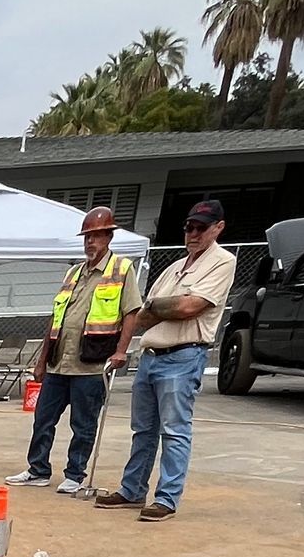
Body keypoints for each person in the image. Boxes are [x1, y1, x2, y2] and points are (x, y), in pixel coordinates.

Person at [96, 198, 236, 522]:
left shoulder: (221, 263)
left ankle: (167, 498)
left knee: (174, 430)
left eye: (202, 227)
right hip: (151, 355)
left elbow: (190, 307)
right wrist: (164, 306)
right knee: (143, 429)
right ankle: (132, 490)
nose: (194, 233)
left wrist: (162, 307)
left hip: (183, 355)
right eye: (190, 227)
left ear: (218, 228)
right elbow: (145, 314)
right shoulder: (175, 268)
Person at [10, 208, 141, 495]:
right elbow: (56, 318)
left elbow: (131, 312)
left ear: (108, 237)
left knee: (83, 423)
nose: (90, 242)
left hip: (92, 364)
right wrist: (42, 360)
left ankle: (75, 474)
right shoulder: (73, 272)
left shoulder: (121, 269)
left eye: (96, 236)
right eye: (87, 237)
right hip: (60, 362)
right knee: (43, 418)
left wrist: (121, 351)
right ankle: (38, 469)